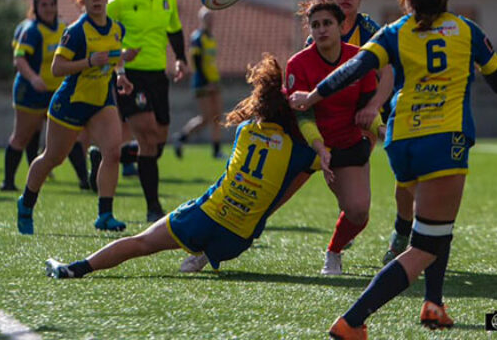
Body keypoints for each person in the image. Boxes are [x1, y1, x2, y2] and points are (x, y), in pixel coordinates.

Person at [289, 0, 497, 339]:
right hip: (445, 140)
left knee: (434, 227)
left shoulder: (394, 32)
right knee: (426, 244)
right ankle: (353, 320)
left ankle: (434, 304)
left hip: (402, 139)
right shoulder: (466, 30)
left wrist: (313, 95)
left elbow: (353, 68)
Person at [44, 54, 329, 279]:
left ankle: (75, 268)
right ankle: (205, 251)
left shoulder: (244, 130)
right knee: (276, 190)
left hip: (207, 216)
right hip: (239, 240)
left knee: (141, 242)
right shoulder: (301, 151)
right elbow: (320, 155)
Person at [16, 0, 135, 235]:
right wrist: (90, 62)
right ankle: (25, 204)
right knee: (52, 159)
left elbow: (116, 58)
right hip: (71, 102)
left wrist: (122, 76)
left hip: (101, 101)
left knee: (113, 152)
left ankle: (105, 215)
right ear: (82, 0)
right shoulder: (76, 32)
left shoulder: (117, 29)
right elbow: (58, 68)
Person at [307, 0, 397, 255]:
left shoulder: (370, 31)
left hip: (364, 119)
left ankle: (399, 233)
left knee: (355, 200)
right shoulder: (318, 32)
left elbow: (389, 73)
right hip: (326, 122)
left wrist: (373, 107)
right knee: (340, 191)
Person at [285, 0, 378, 275]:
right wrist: (319, 147)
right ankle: (206, 250)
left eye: (327, 23)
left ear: (340, 26)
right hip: (302, 145)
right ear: (309, 31)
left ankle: (334, 252)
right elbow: (303, 114)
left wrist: (381, 129)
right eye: (315, 25)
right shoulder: (298, 63)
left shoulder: (359, 59)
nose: (322, 29)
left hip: (344, 144)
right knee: (261, 209)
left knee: (359, 212)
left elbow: (368, 106)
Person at [105, 0, 189, 223]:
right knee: (148, 139)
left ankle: (110, 154)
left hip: (158, 77)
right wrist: (117, 66)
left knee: (158, 142)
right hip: (129, 76)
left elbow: (174, 31)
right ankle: (153, 208)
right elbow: (103, 35)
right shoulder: (119, 0)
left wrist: (180, 59)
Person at [1, 0, 90, 192]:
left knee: (70, 136)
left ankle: (85, 181)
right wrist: (33, 78)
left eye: (52, 4)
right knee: (22, 136)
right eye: (44, 5)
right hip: (31, 92)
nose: (49, 9)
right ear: (36, 8)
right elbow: (19, 59)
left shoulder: (65, 28)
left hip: (57, 91)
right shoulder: (31, 31)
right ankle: (8, 182)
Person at [174, 7, 224, 159]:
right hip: (202, 82)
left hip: (214, 80)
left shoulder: (211, 38)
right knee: (207, 117)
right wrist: (206, 81)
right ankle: (182, 137)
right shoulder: (197, 38)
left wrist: (214, 80)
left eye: (211, 18)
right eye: (207, 18)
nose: (210, 21)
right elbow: (196, 61)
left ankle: (216, 150)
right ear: (202, 20)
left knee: (217, 116)